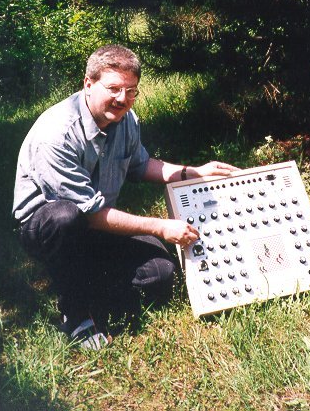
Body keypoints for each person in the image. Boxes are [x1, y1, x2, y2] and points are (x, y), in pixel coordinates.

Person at [12, 44, 237, 349]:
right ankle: (76, 314)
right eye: (114, 89)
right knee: (66, 217)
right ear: (88, 84)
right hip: (47, 227)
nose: (123, 99)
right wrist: (160, 226)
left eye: (131, 91)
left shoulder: (126, 120)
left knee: (161, 273)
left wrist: (193, 172)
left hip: (96, 223)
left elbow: (141, 165)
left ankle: (85, 282)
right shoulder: (56, 134)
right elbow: (89, 214)